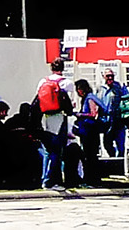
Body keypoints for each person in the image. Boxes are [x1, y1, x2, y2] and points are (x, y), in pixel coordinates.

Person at [34, 57, 74, 193]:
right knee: (57, 151)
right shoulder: (67, 83)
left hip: (45, 119)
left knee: (47, 151)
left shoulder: (43, 81)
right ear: (63, 68)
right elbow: (69, 105)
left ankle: (44, 178)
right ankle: (52, 181)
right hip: (59, 118)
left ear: (51, 68)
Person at [95, 67, 129, 176]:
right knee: (107, 143)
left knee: (121, 143)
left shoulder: (119, 87)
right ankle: (112, 161)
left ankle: (122, 167)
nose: (110, 78)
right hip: (105, 120)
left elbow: (127, 98)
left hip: (118, 120)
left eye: (111, 76)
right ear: (103, 77)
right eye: (108, 76)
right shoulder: (99, 88)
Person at [72, 79, 104, 183]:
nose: (78, 92)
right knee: (88, 154)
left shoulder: (90, 98)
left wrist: (80, 115)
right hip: (87, 130)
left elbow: (93, 113)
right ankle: (90, 176)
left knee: (90, 155)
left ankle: (92, 177)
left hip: (91, 131)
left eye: (78, 90)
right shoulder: (86, 98)